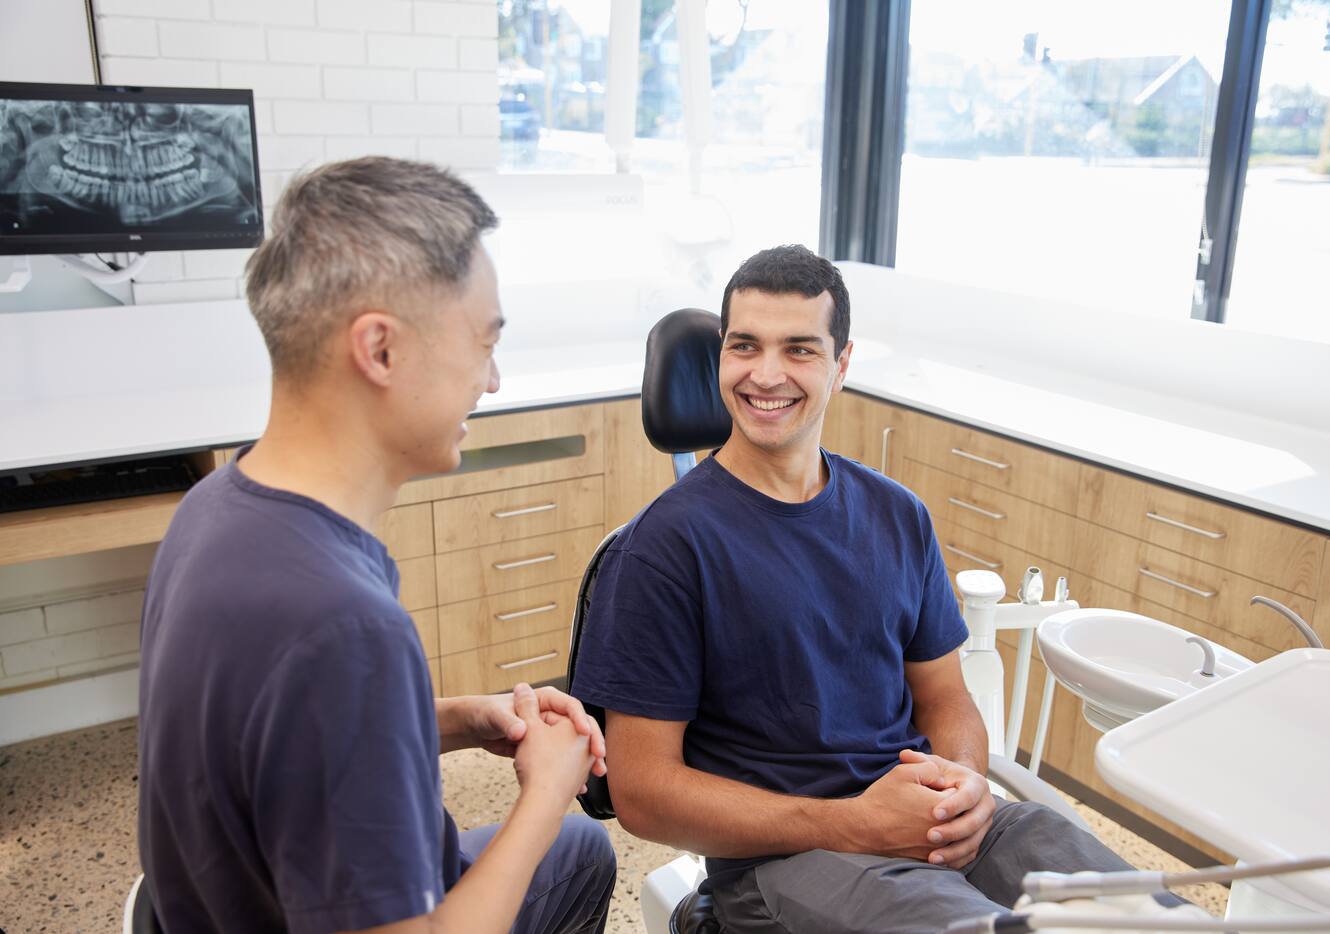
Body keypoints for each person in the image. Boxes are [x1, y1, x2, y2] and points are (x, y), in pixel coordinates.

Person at [570, 244, 1183, 932]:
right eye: (745, 346)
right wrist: (858, 824)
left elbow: (946, 698)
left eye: (799, 349)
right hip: (785, 862)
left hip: (919, 822)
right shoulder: (664, 549)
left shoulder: (897, 515)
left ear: (842, 365)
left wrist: (964, 786)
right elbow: (644, 794)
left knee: (1117, 897)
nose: (765, 374)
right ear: (722, 355)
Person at [138, 157, 616, 934]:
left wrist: (463, 718)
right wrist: (546, 792)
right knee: (566, 837)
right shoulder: (342, 625)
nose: (491, 381)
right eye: (482, 343)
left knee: (580, 853)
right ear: (381, 351)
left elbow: (283, 733)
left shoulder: (214, 508)